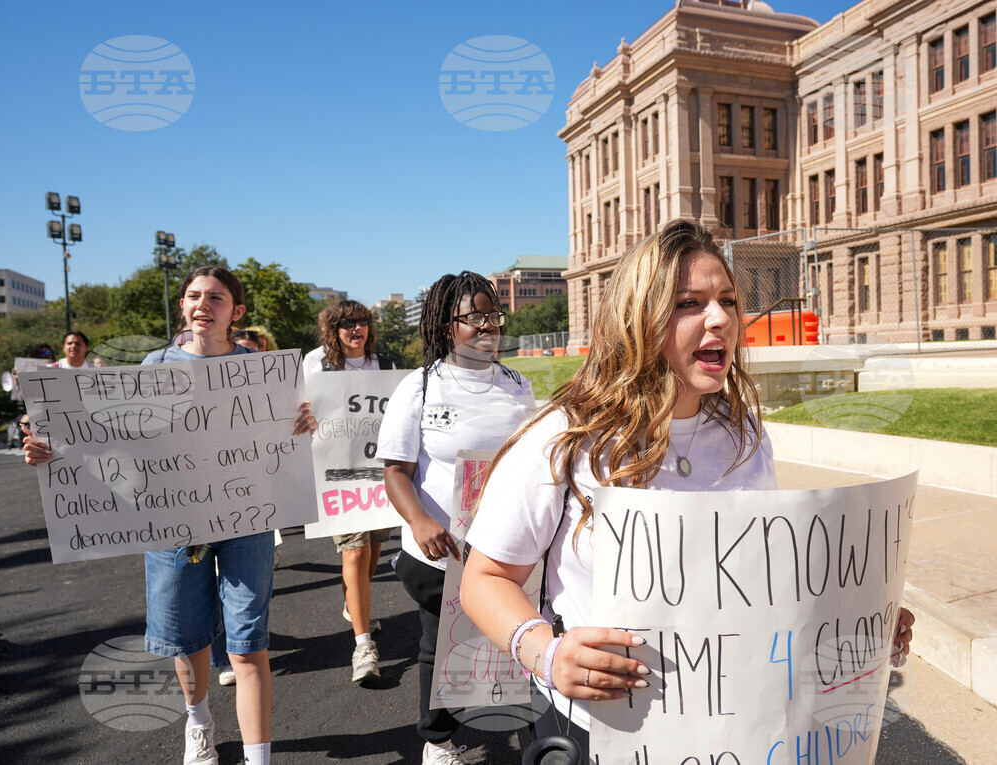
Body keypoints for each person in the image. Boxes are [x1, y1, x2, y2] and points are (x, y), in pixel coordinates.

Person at [460, 220, 916, 758]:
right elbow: (484, 579)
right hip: (604, 730)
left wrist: (856, 619)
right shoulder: (564, 438)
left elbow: (762, 583)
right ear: (638, 320)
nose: (720, 318)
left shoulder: (745, 436)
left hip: (737, 730)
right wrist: (546, 652)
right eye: (688, 303)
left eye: (727, 299)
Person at [24, 266, 317, 765]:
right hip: (172, 525)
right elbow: (113, 437)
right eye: (194, 296)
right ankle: (198, 720)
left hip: (245, 520)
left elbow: (282, 442)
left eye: (217, 298)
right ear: (182, 305)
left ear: (237, 312)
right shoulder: (151, 366)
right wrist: (54, 452)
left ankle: (258, 757)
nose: (204, 304)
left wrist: (303, 425)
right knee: (188, 638)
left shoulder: (262, 371)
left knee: (248, 644)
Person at [377, 271, 536, 764]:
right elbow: (396, 472)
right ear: (448, 326)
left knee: (511, 638)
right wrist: (422, 522)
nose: (488, 326)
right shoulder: (419, 387)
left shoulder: (516, 385)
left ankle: (528, 733)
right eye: (475, 317)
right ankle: (438, 744)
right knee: (440, 645)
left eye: (494, 315)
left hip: (503, 545)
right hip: (441, 549)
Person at [310, 300, 398, 683]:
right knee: (355, 550)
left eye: (361, 322)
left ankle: (354, 602)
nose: (355, 329)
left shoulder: (386, 365)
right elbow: (299, 411)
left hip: (378, 476)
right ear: (333, 329)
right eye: (346, 324)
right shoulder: (316, 365)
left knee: (374, 549)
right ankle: (363, 646)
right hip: (338, 476)